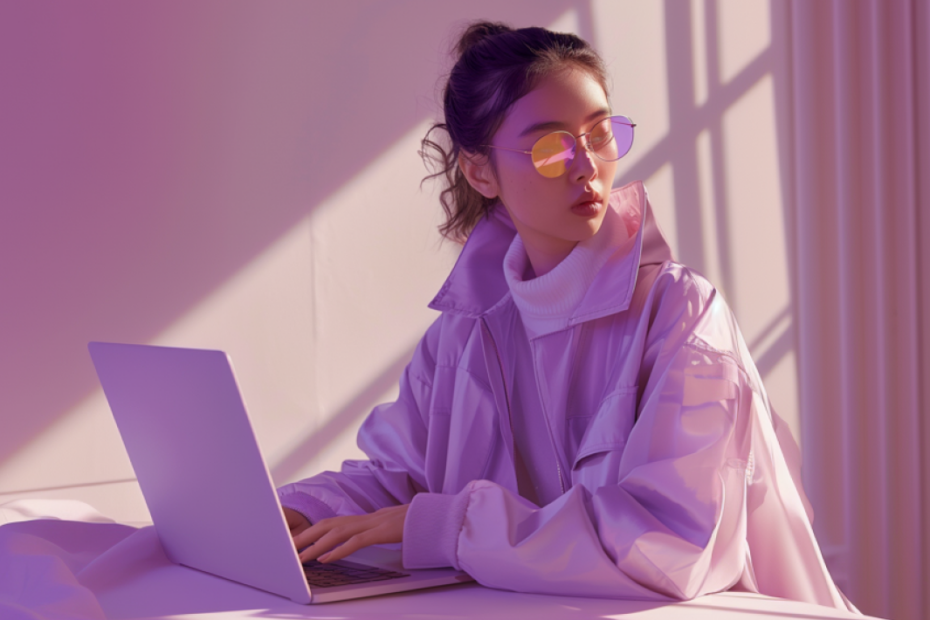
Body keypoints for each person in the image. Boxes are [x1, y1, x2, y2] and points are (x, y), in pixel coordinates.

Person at [277, 21, 857, 612]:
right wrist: (292, 510)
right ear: (480, 172)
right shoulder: (463, 332)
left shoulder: (682, 313)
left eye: (601, 134)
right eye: (552, 147)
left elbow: (670, 544)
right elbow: (397, 478)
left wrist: (454, 526)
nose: (586, 166)